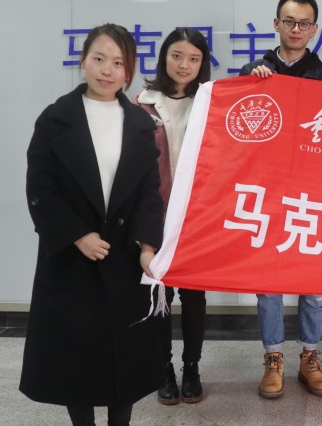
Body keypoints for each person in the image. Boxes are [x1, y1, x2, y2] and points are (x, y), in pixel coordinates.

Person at [20, 24, 164, 426]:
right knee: (75, 355)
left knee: (125, 354)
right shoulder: (55, 119)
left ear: (128, 70)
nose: (107, 70)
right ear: (83, 60)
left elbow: (149, 192)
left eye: (118, 63)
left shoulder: (140, 122)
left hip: (124, 253)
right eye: (99, 59)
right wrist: (77, 235)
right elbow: (41, 188)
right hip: (73, 255)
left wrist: (148, 245)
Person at [239, 0, 322, 399]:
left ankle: (310, 357)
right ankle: (273, 358)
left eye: (304, 23)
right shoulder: (253, 71)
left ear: (314, 29)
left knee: (313, 283)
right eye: (289, 21)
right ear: (276, 24)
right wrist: (252, 83)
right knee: (269, 283)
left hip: (313, 193)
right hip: (268, 192)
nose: (296, 29)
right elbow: (239, 134)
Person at [132, 28, 211, 405]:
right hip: (155, 214)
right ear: (164, 57)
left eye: (194, 59)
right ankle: (162, 367)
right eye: (177, 55)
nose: (184, 65)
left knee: (194, 296)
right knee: (158, 294)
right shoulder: (141, 104)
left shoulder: (211, 102)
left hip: (197, 218)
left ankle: (191, 366)